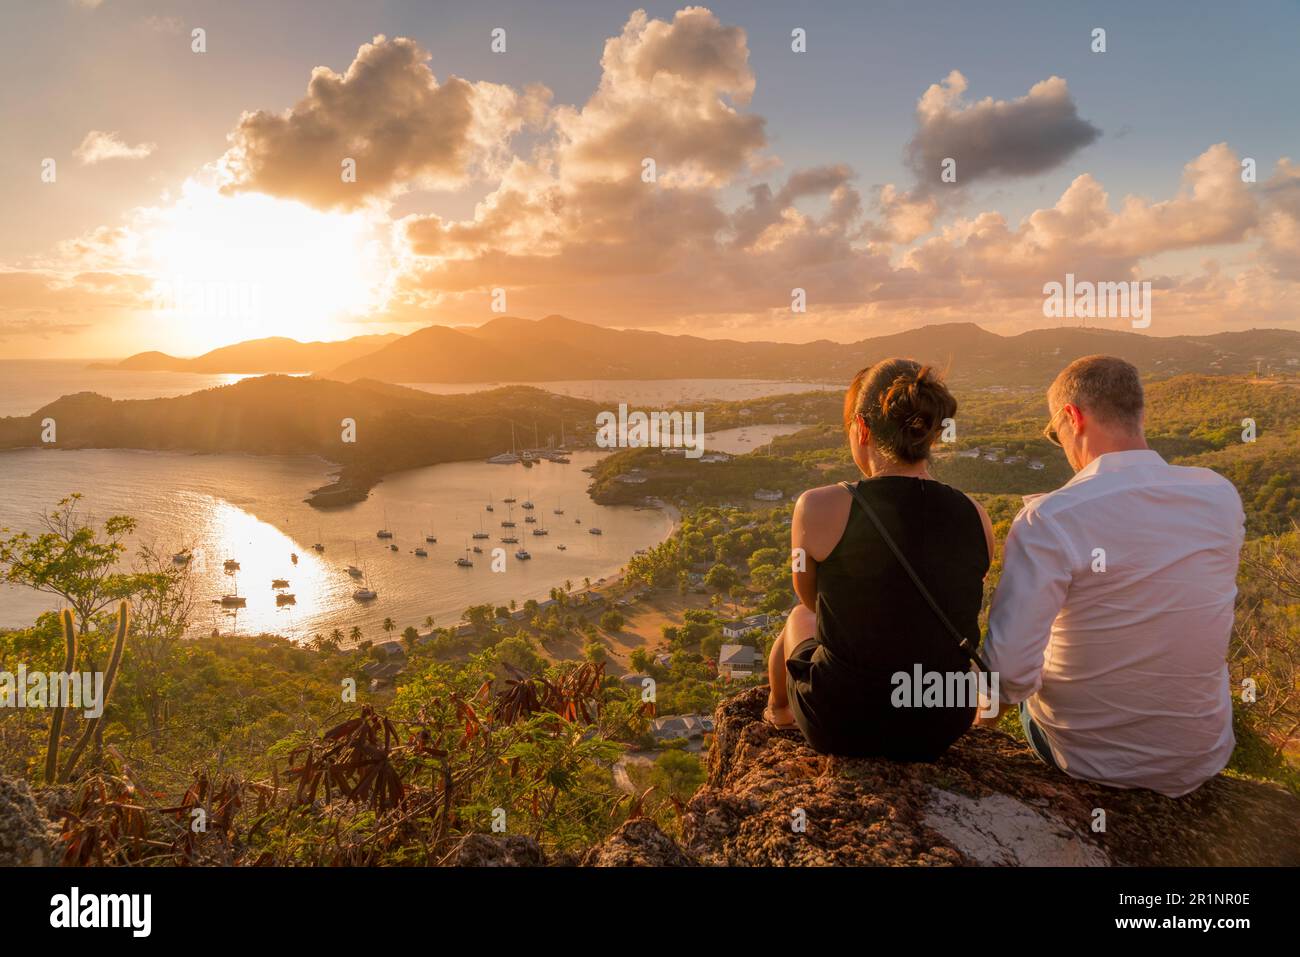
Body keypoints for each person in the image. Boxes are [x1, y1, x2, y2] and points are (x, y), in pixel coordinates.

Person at [979, 355, 1244, 798]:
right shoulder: (1219, 495)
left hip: (1088, 757)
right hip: (1203, 754)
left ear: (1072, 417)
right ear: (1138, 413)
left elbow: (1007, 676)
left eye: (1054, 433)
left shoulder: (1050, 518)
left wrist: (974, 733)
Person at [765, 359, 994, 759]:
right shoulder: (977, 515)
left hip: (845, 723)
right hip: (941, 722)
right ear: (930, 435)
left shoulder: (818, 506)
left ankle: (779, 710)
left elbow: (809, 598)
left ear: (862, 429)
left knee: (798, 619)